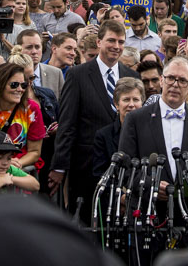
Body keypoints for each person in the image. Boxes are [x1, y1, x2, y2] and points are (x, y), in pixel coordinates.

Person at [50, 20, 138, 221]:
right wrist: (60, 165)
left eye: (121, 42)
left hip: (123, 168)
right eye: (111, 40)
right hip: (85, 168)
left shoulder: (132, 76)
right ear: (99, 42)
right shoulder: (77, 74)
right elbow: (67, 123)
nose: (116, 46)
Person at [118, 55, 188, 208]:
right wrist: (152, 186)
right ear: (161, 80)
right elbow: (125, 167)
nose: (175, 84)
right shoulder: (136, 119)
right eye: (170, 78)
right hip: (147, 210)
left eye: (182, 80)